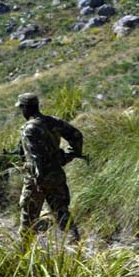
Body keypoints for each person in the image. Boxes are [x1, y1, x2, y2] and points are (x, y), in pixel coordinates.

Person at [14, 93, 84, 241]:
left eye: (22, 108)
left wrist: (38, 180)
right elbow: (76, 135)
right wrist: (69, 156)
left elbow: (35, 158)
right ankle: (75, 245)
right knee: (62, 213)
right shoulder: (54, 121)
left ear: (26, 108)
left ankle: (24, 251)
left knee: (28, 219)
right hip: (56, 175)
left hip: (36, 181)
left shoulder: (29, 129)